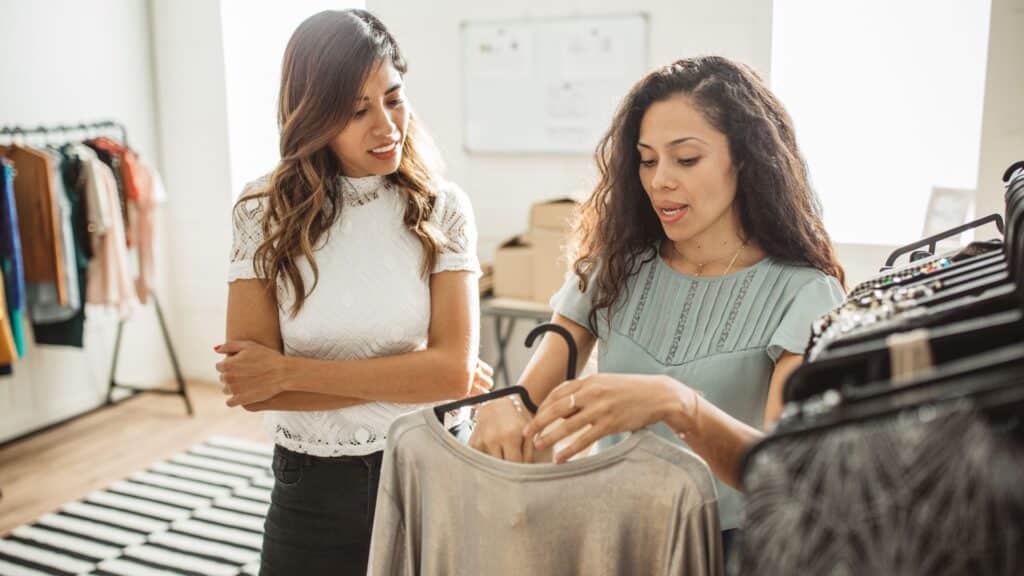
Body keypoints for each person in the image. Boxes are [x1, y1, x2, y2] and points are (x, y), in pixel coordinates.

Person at [469, 55, 846, 557]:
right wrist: (504, 406)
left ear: (746, 159)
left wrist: (677, 403)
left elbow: (779, 470)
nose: (660, 180)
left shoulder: (805, 294)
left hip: (727, 552)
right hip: (614, 542)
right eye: (647, 160)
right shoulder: (613, 269)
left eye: (686, 159)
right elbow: (528, 398)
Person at [214, 10, 491, 574]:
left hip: (431, 466)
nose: (387, 126)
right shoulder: (261, 212)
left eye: (394, 98)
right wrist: (412, 376)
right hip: (312, 485)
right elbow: (253, 387)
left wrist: (289, 372)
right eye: (357, 110)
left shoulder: (442, 207)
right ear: (313, 115)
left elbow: (449, 375)